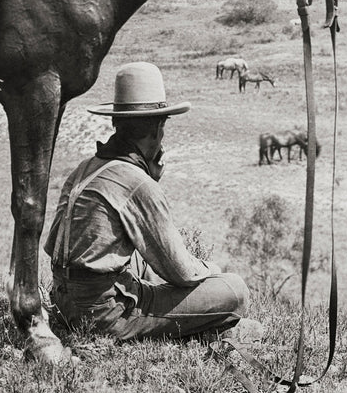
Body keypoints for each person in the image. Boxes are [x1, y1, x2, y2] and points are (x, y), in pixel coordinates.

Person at [44, 61, 249, 341]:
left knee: (142, 262)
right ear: (157, 129)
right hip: (106, 315)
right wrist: (213, 271)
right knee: (235, 290)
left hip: (63, 302)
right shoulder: (137, 182)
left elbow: (53, 247)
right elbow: (182, 272)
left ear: (116, 123)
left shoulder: (85, 168)